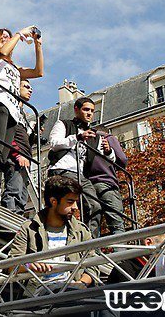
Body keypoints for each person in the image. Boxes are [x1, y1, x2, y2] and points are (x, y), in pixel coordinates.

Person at [0, 27, 44, 204]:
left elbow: (38, 72)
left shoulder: (13, 66)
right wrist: (19, 34)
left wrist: (38, 45)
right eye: (3, 37)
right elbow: (3, 52)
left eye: (9, 37)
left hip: (13, 110)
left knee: (3, 155)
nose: (8, 39)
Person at [9, 175, 99, 294]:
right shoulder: (29, 228)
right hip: (39, 294)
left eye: (76, 202)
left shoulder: (81, 230)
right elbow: (10, 266)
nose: (75, 208)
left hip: (73, 292)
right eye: (70, 202)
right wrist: (29, 265)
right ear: (53, 201)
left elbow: (93, 265)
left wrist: (81, 284)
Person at [47, 97, 114, 237]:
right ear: (76, 110)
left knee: (95, 206)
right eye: (86, 109)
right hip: (62, 169)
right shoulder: (63, 124)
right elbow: (54, 143)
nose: (89, 113)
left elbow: (106, 159)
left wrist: (108, 151)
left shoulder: (95, 135)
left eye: (92, 111)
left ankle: (90, 242)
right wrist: (77, 137)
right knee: (68, 208)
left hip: (81, 175)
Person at [2, 80, 37, 213]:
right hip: (15, 157)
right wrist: (17, 154)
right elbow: (7, 133)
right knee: (14, 190)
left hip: (25, 158)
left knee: (22, 195)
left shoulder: (23, 114)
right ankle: (9, 222)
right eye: (26, 87)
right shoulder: (10, 108)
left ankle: (18, 222)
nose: (30, 90)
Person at [87, 128, 128, 236]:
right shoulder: (108, 138)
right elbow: (122, 160)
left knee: (93, 224)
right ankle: (120, 252)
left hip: (88, 185)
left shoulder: (86, 140)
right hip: (106, 182)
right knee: (116, 223)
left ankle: (93, 251)